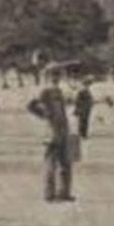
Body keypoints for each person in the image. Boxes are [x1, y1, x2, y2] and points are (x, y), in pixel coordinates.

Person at [27, 68, 73, 202]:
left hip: (63, 130)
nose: (56, 77)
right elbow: (31, 105)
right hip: (51, 132)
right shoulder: (44, 91)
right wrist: (45, 115)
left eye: (58, 74)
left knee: (66, 163)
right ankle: (49, 194)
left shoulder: (58, 90)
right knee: (51, 164)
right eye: (53, 75)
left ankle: (64, 193)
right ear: (47, 76)